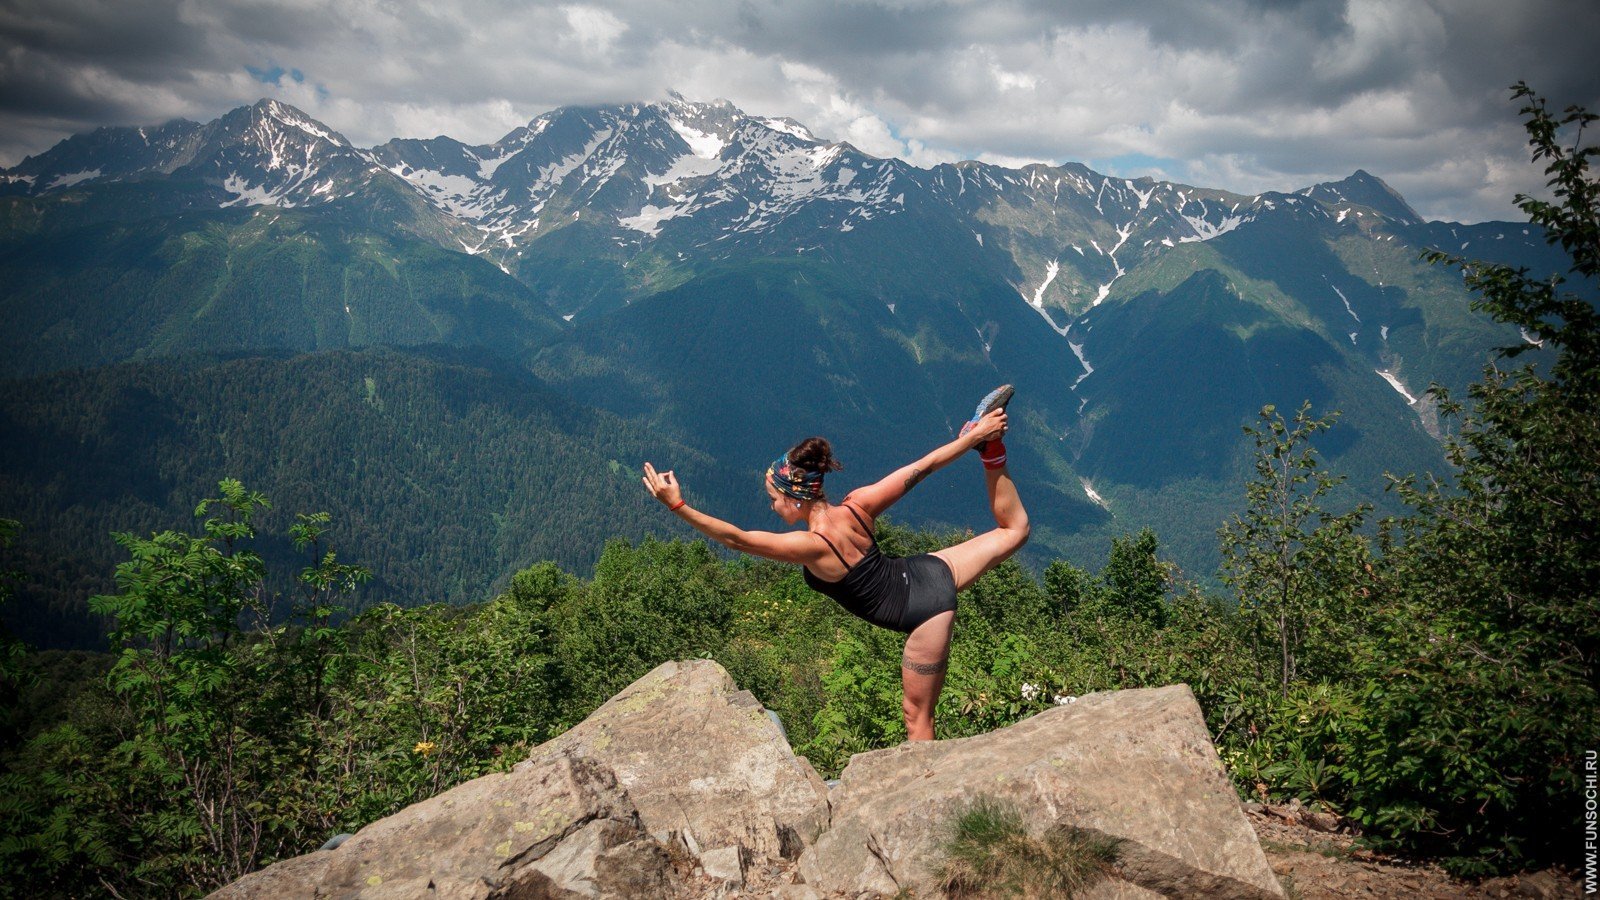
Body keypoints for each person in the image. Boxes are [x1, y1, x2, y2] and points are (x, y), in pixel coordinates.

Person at [640, 385, 1028, 741]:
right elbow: (923, 467)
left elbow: (736, 539)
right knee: (1015, 531)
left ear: (795, 498)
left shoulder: (813, 546)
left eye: (774, 499)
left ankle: (925, 798)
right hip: (927, 571)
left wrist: (677, 505)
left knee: (917, 717)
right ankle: (991, 450)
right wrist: (973, 437)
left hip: (925, 615)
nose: (772, 507)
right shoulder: (858, 504)